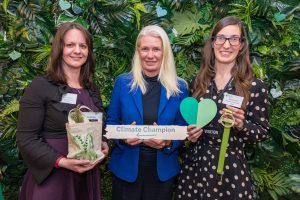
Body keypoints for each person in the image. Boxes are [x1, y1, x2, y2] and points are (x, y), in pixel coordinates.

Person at [174, 16, 269, 199]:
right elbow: (190, 127)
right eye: (221, 38)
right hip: (196, 168)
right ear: (213, 42)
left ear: (241, 45)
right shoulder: (198, 82)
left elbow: (262, 133)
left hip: (231, 172)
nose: (226, 45)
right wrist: (191, 134)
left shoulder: (254, 87)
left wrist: (242, 125)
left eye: (234, 39)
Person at [16, 22, 109, 200]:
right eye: (70, 45)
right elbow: (26, 139)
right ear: (60, 49)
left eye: (83, 46)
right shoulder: (40, 86)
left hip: (87, 173)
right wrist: (62, 161)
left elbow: (96, 125)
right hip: (53, 176)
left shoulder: (91, 88)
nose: (77, 51)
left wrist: (103, 142)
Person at [107, 25, 188, 200]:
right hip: (126, 170)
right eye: (145, 49)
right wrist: (123, 137)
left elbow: (182, 127)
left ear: (164, 52)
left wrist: (167, 142)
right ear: (138, 52)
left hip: (162, 173)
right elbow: (112, 121)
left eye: (156, 49)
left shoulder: (179, 87)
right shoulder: (123, 83)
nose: (150, 55)